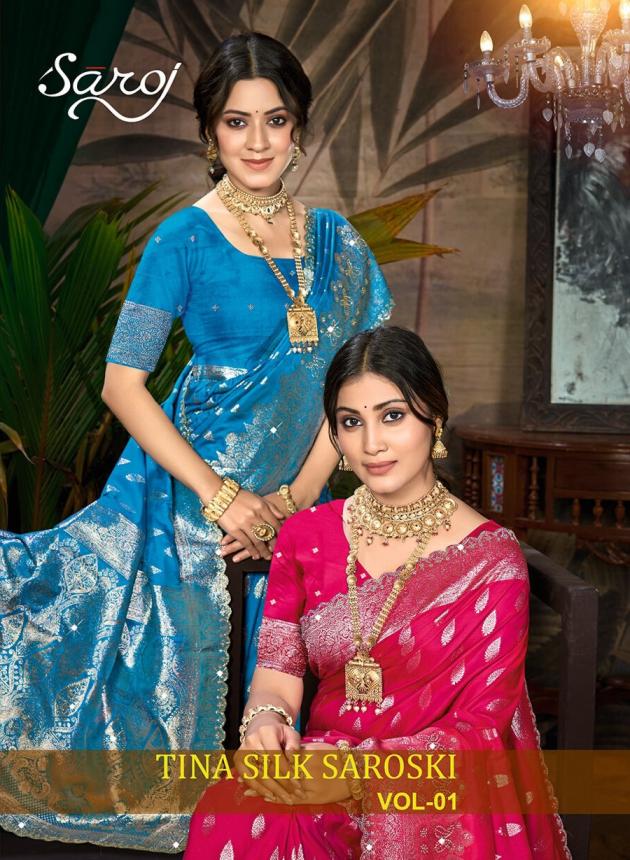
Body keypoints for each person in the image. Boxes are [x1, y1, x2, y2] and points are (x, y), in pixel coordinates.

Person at [0, 33, 391, 852]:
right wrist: (224, 499)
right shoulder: (182, 238)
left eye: (274, 120)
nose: (258, 142)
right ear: (210, 133)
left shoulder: (338, 245)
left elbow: (361, 389)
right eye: (236, 122)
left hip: (301, 502)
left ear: (298, 126)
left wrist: (292, 501)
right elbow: (122, 384)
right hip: (190, 501)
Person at [184, 326, 571, 859]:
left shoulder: (490, 561)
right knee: (237, 810)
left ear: (434, 418)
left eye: (393, 416)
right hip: (320, 766)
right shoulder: (307, 536)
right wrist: (266, 722)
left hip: (433, 789)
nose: (372, 444)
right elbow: (276, 674)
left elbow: (483, 726)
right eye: (351, 422)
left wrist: (358, 774)